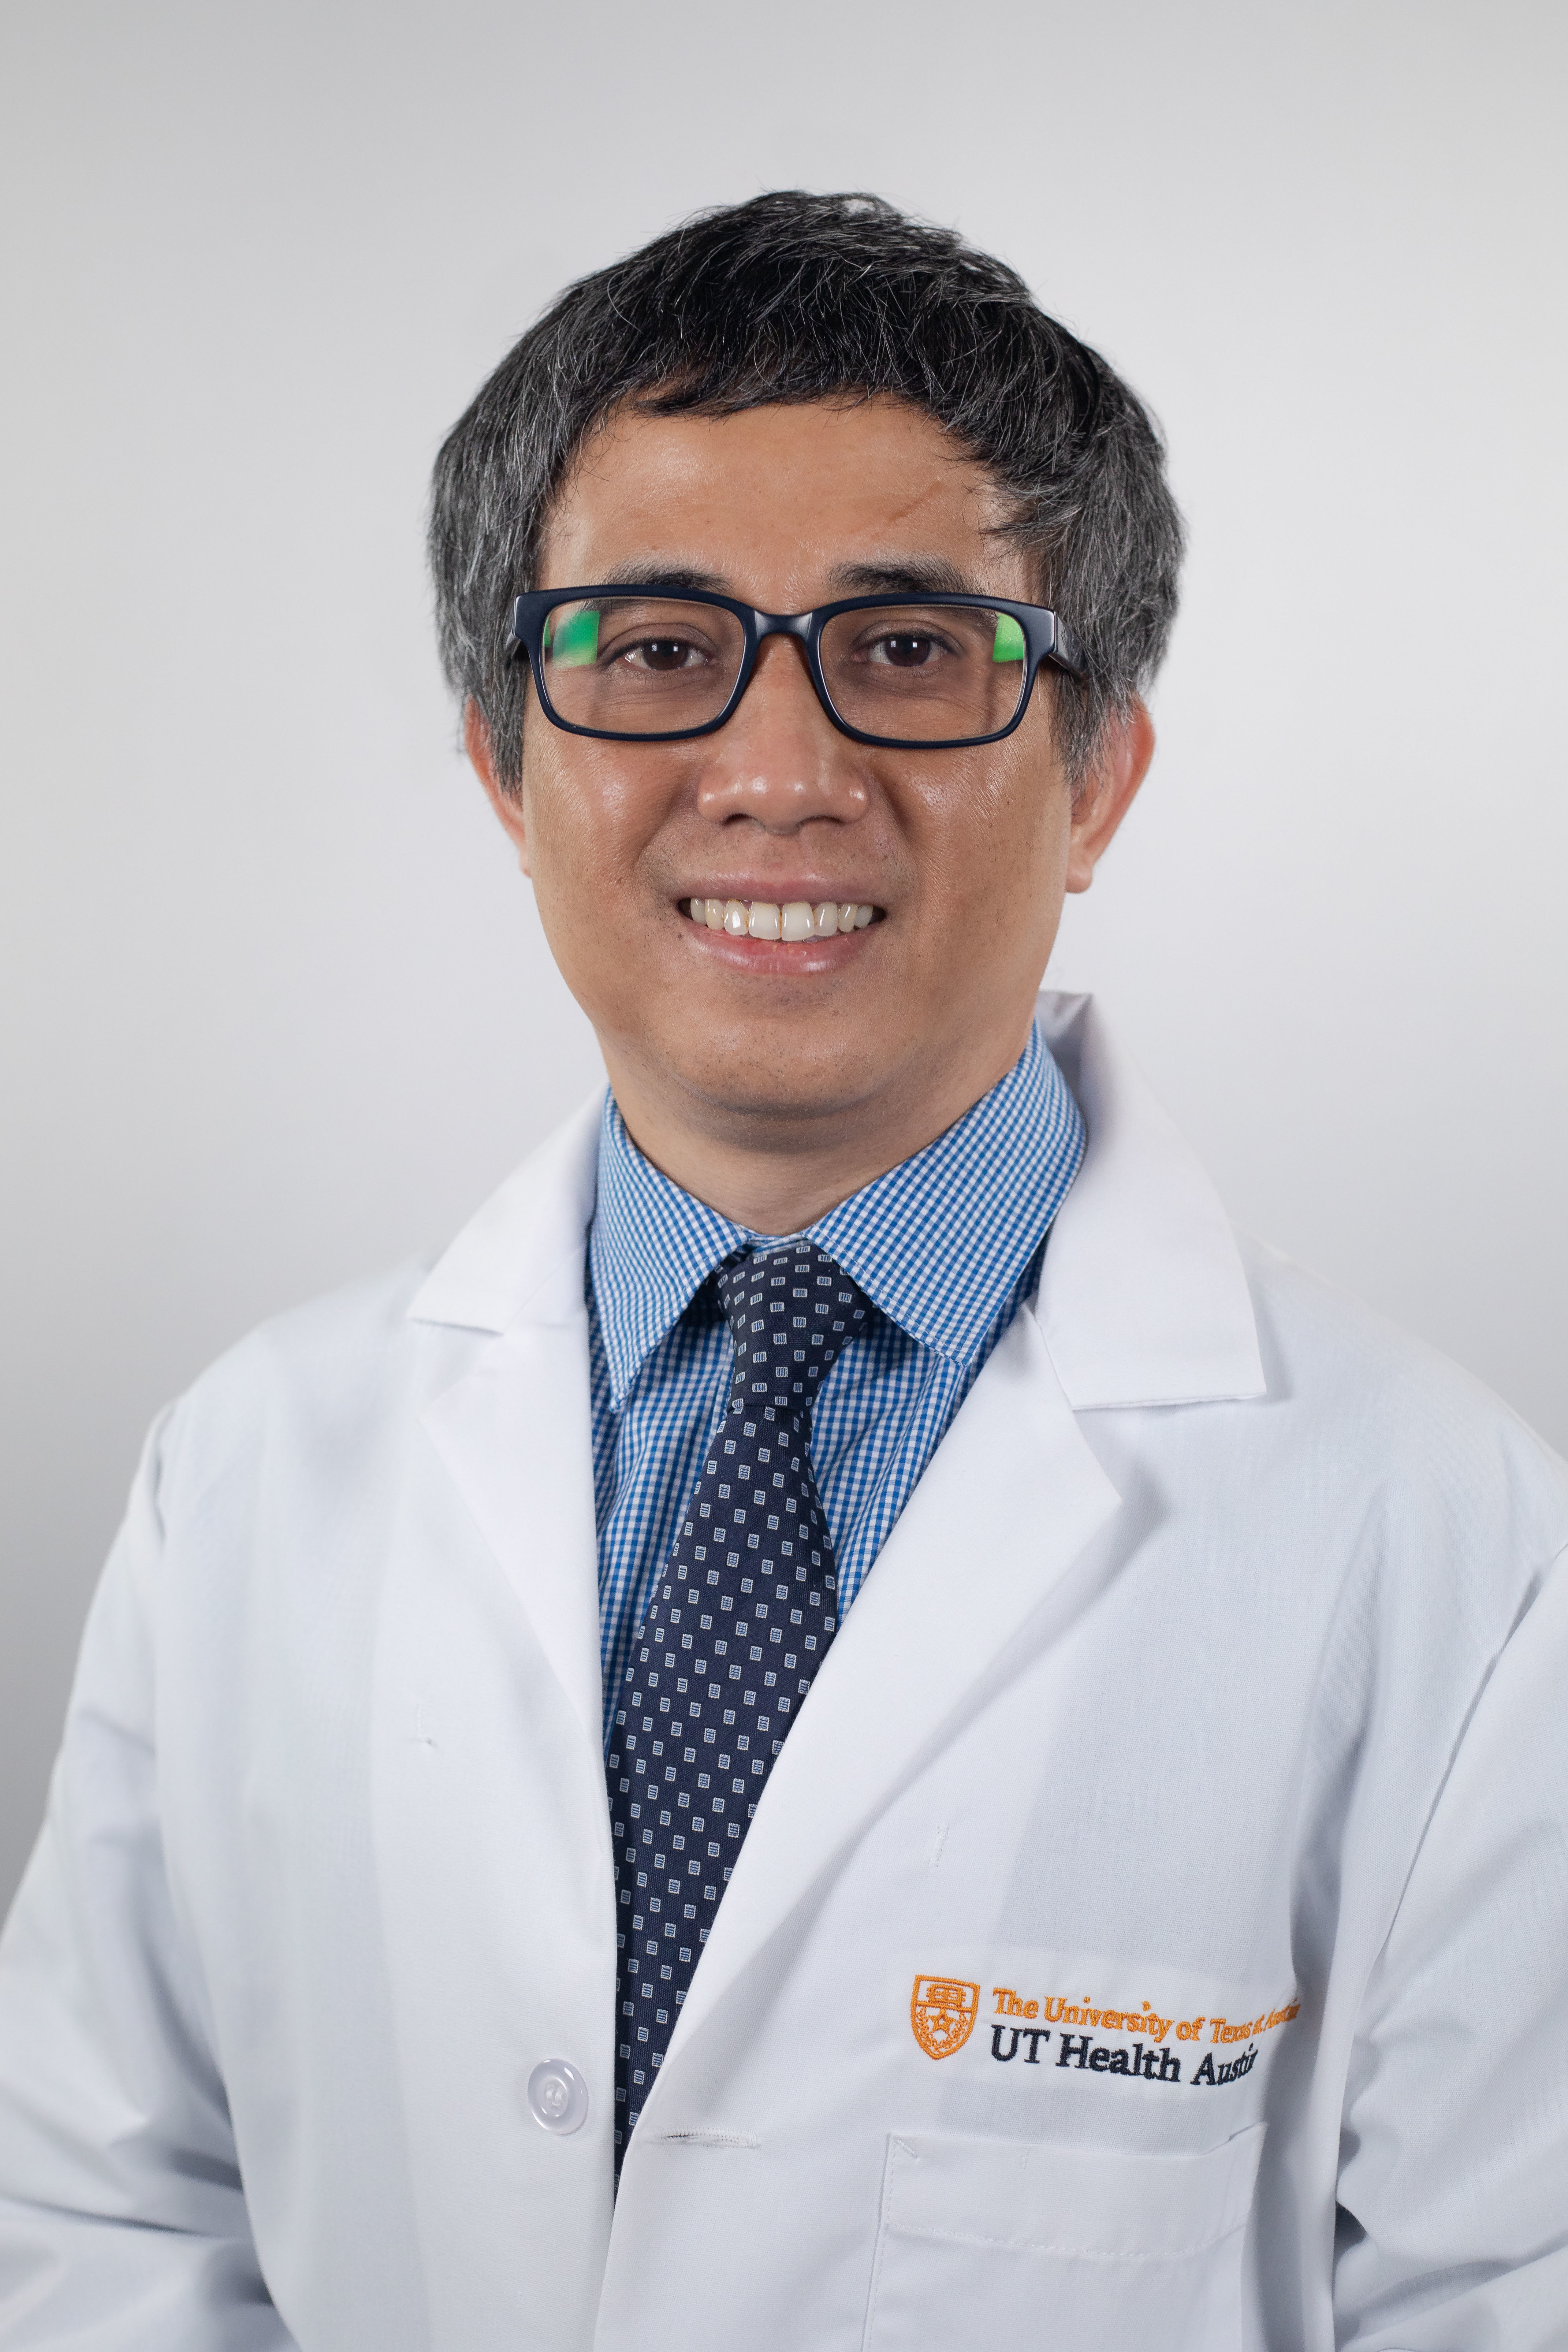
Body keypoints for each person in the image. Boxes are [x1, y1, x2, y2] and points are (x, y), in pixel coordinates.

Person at [0, 190, 1564, 2352]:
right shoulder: (251, 1469)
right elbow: (105, 2220)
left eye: (909, 650)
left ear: (1099, 771)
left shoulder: (1457, 1544)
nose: (777, 773)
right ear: (503, 765)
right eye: (654, 650)